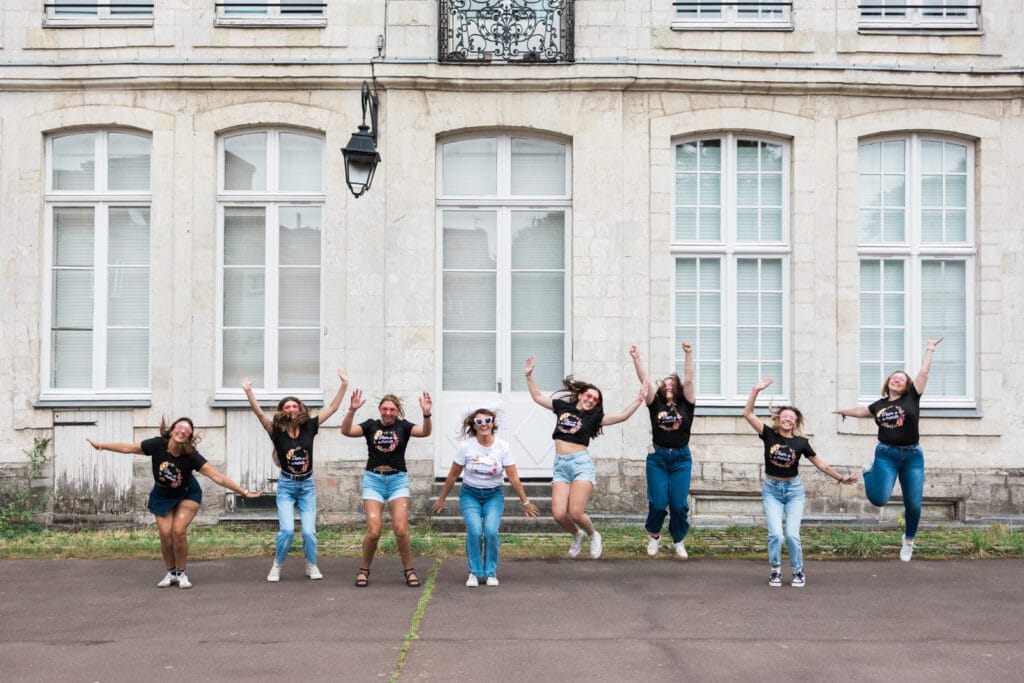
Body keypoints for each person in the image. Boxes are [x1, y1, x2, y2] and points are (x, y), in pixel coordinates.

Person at [85, 418, 259, 589]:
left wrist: (243, 492)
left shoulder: (191, 455)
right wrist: (101, 446)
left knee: (178, 531)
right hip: (162, 494)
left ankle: (182, 573)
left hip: (187, 493)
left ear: (189, 437)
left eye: (187, 430)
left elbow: (216, 476)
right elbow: (129, 448)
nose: (182, 431)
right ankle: (171, 572)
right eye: (180, 427)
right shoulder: (156, 445)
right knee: (165, 534)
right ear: (172, 429)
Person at [524, 356, 648, 560]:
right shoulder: (563, 407)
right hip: (561, 466)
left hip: (581, 464)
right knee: (558, 514)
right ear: (580, 395)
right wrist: (529, 375)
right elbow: (537, 397)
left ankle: (593, 535)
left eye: (595, 400)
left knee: (575, 512)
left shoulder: (595, 418)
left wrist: (639, 398)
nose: (591, 401)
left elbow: (624, 415)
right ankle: (577, 534)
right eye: (589, 396)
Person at [834, 336, 944, 562]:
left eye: (901, 379)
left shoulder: (912, 398)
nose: (897, 379)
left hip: (913, 456)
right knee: (878, 499)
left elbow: (923, 372)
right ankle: (868, 471)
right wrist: (845, 411)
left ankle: (909, 541)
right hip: (886, 455)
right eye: (894, 377)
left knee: (913, 504)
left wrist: (930, 348)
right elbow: (863, 411)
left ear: (906, 385)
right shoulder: (880, 405)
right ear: (888, 382)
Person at [744, 379, 858, 587]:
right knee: (776, 534)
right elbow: (748, 415)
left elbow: (820, 464)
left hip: (794, 491)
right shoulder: (768, 434)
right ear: (778, 419)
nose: (788, 420)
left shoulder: (801, 443)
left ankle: (798, 571)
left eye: (792, 418)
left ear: (795, 423)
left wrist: (841, 478)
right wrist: (755, 391)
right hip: (772, 491)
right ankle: (776, 570)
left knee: (792, 535)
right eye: (784, 416)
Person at [241, 370, 348, 582]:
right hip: (287, 485)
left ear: (299, 408)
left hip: (307, 485)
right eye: (286, 406)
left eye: (294, 405)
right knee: (287, 530)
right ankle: (277, 565)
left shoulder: (310, 427)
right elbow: (259, 413)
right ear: (282, 410)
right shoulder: (276, 431)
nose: (291, 409)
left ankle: (311, 563)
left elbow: (333, 408)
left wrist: (344, 384)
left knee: (309, 532)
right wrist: (249, 392)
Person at [431, 408, 540, 587]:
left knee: (490, 532)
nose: (484, 424)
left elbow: (513, 477)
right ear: (474, 426)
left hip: (494, 496)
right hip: (470, 494)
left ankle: (490, 572)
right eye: (479, 422)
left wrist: (525, 501)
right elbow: (452, 475)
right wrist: (441, 498)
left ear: (493, 422)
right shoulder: (466, 446)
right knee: (474, 531)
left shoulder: (503, 447)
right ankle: (474, 572)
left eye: (487, 420)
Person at [341, 389, 432, 588]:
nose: (388, 413)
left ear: (397, 411)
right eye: (385, 409)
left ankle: (409, 570)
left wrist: (426, 413)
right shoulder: (371, 425)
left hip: (397, 480)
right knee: (374, 531)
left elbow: (425, 432)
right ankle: (364, 570)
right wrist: (351, 410)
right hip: (373, 480)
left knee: (401, 529)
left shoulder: (404, 426)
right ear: (380, 409)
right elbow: (346, 431)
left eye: (392, 409)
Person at [630, 342, 696, 559]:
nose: (668, 386)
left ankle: (678, 540)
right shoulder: (655, 404)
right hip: (657, 458)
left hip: (681, 459)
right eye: (665, 384)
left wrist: (688, 354)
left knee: (678, 504)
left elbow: (688, 379)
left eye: (672, 384)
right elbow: (645, 381)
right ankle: (654, 534)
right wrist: (636, 358)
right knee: (658, 502)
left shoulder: (687, 404)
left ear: (677, 388)